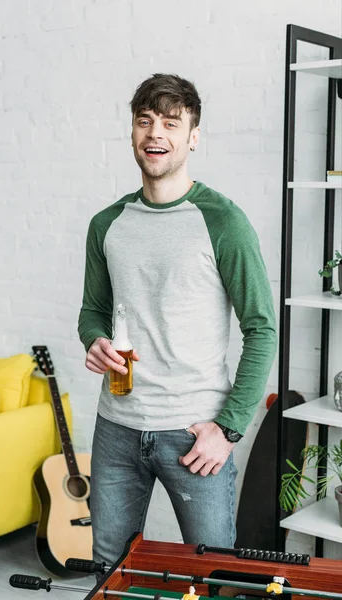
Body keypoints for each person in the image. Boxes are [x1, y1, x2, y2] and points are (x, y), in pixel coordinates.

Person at [78, 73, 277, 568]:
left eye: (171, 122)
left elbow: (262, 328)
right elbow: (93, 312)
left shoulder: (223, 222)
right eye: (144, 121)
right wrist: (96, 341)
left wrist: (227, 429)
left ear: (193, 136)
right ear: (131, 133)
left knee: (211, 573)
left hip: (194, 435)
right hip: (116, 428)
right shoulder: (108, 224)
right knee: (110, 570)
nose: (155, 134)